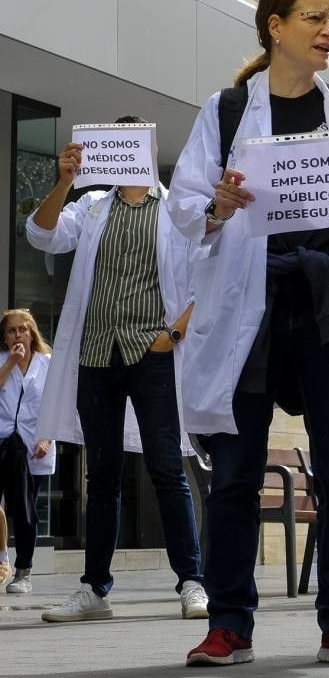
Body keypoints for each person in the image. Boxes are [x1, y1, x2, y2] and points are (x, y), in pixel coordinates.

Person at [168, 0, 329, 665]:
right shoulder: (225, 112)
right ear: (274, 27)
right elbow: (184, 210)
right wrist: (216, 202)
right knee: (237, 472)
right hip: (254, 306)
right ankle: (230, 625)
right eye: (315, 18)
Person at [26, 118, 207, 624]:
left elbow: (206, 280)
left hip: (153, 355)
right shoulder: (91, 207)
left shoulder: (175, 209)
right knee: (101, 475)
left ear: (150, 149)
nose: (127, 152)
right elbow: (41, 235)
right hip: (96, 355)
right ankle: (94, 589)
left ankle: (191, 581)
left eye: (136, 143)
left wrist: (172, 335)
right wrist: (64, 180)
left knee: (168, 469)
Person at [0, 309, 54, 596]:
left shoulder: (48, 363)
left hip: (35, 447)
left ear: (32, 332)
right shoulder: (2, 361)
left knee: (25, 509)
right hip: (3, 445)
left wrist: (47, 438)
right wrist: (10, 362)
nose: (18, 335)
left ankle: (23, 570)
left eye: (23, 329)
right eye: (11, 331)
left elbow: (56, 405)